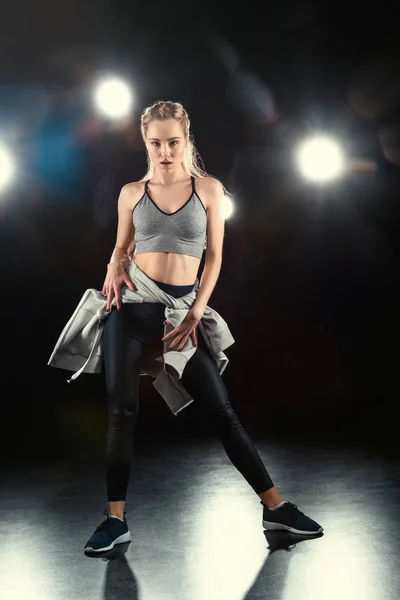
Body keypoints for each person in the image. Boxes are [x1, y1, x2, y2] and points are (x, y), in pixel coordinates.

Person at [84, 100, 323, 553]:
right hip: (131, 309)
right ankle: (115, 521)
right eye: (156, 143)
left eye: (173, 142)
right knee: (121, 413)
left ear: (186, 140)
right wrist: (114, 263)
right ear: (146, 143)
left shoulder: (209, 189)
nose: (165, 152)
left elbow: (214, 257)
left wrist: (197, 310)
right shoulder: (131, 192)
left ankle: (275, 508)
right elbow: (120, 248)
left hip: (181, 314)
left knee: (221, 410)